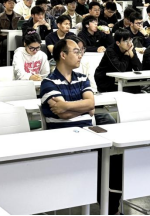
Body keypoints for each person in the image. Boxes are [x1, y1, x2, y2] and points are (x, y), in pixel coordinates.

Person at [40, 39, 124, 215]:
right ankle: (109, 209)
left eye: (81, 51)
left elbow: (91, 105)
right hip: (64, 138)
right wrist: (82, 108)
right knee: (101, 160)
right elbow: (63, 115)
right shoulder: (49, 82)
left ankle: (111, 209)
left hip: (89, 134)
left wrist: (66, 106)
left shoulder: (82, 78)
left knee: (117, 157)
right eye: (76, 52)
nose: (80, 55)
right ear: (63, 55)